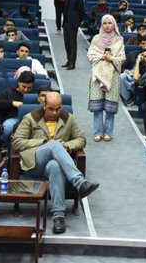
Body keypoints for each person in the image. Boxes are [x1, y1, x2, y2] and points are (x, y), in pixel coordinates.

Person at [10, 92, 99, 235]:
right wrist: (44, 142)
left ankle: (58, 217)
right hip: (34, 163)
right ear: (43, 105)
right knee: (54, 145)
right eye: (51, 109)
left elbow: (81, 139)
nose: (55, 113)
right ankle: (79, 182)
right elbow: (17, 142)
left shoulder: (68, 119)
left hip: (53, 165)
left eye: (58, 109)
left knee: (55, 166)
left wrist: (67, 146)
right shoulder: (31, 118)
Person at [87, 14, 124, 143]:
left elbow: (122, 58)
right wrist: (102, 57)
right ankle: (97, 132)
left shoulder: (119, 39)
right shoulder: (96, 38)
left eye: (110, 23)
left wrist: (111, 58)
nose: (107, 26)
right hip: (97, 74)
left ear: (114, 24)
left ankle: (108, 132)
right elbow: (90, 54)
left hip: (113, 75)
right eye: (104, 23)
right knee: (97, 105)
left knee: (110, 106)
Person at [0, 69, 35, 138]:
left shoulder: (35, 94)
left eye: (29, 88)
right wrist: (12, 103)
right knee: (8, 128)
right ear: (19, 82)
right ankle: (3, 143)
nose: (26, 90)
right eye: (24, 86)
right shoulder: (8, 92)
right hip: (13, 118)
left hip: (31, 118)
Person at [61, 0, 86, 68]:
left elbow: (81, 12)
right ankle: (68, 60)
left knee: (72, 44)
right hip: (66, 23)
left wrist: (78, 22)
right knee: (66, 43)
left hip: (73, 24)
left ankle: (72, 63)